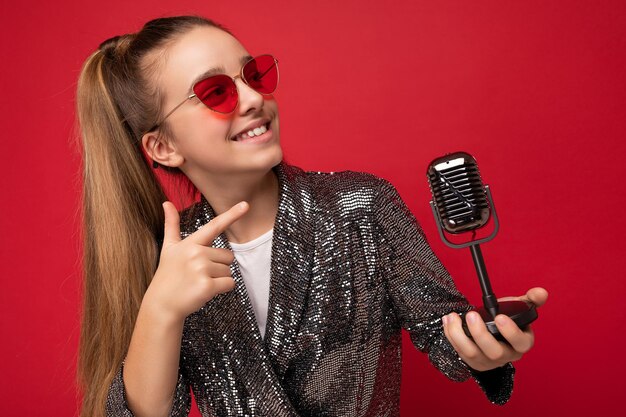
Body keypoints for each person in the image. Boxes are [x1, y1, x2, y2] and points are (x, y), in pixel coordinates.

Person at [76, 15, 548, 417]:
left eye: (254, 75)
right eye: (216, 92)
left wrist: (487, 346)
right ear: (164, 146)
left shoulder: (363, 205)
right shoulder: (169, 258)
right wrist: (161, 308)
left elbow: (444, 333)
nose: (253, 98)